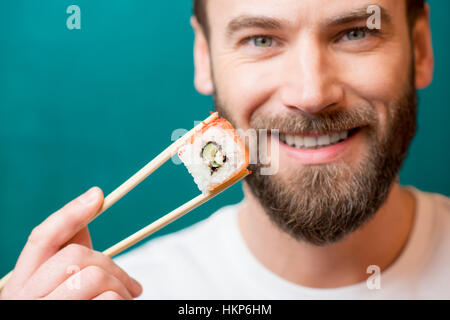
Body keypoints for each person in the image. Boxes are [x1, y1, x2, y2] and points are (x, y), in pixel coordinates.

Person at [1, 0, 449, 300]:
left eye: (354, 33)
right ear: (203, 56)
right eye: (261, 39)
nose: (311, 94)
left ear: (420, 47)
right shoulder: (126, 291)